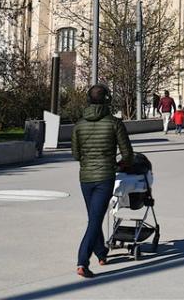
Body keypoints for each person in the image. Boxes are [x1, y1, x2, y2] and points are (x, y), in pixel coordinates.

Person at [71, 83, 134, 279]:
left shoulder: (79, 125)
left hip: (85, 177)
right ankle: (82, 261)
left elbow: (75, 154)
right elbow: (127, 154)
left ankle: (102, 253)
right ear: (107, 99)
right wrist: (120, 165)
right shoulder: (114, 123)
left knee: (94, 217)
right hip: (105, 177)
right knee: (95, 219)